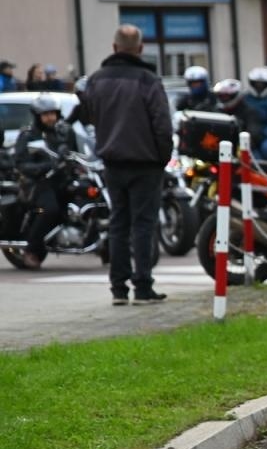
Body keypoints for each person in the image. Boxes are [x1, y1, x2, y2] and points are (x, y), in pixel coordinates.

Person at [77, 24, 172, 305]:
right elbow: (162, 125)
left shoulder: (97, 81)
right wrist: (162, 158)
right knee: (143, 225)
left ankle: (118, 289)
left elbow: (87, 115)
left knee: (118, 223)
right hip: (145, 163)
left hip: (112, 162)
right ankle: (143, 286)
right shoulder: (148, 81)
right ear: (140, 49)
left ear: (115, 47)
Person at [11, 95, 78, 268]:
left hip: (61, 180)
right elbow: (20, 163)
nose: (50, 117)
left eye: (53, 113)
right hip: (36, 183)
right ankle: (31, 249)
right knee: (48, 210)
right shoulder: (28, 135)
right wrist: (46, 166)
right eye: (46, 114)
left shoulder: (62, 132)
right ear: (37, 116)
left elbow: (76, 152)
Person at [240, 66, 267, 162]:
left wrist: (264, 134)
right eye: (256, 84)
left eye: (262, 84)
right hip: (249, 135)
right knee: (252, 155)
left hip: (265, 134)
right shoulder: (244, 98)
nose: (259, 87)